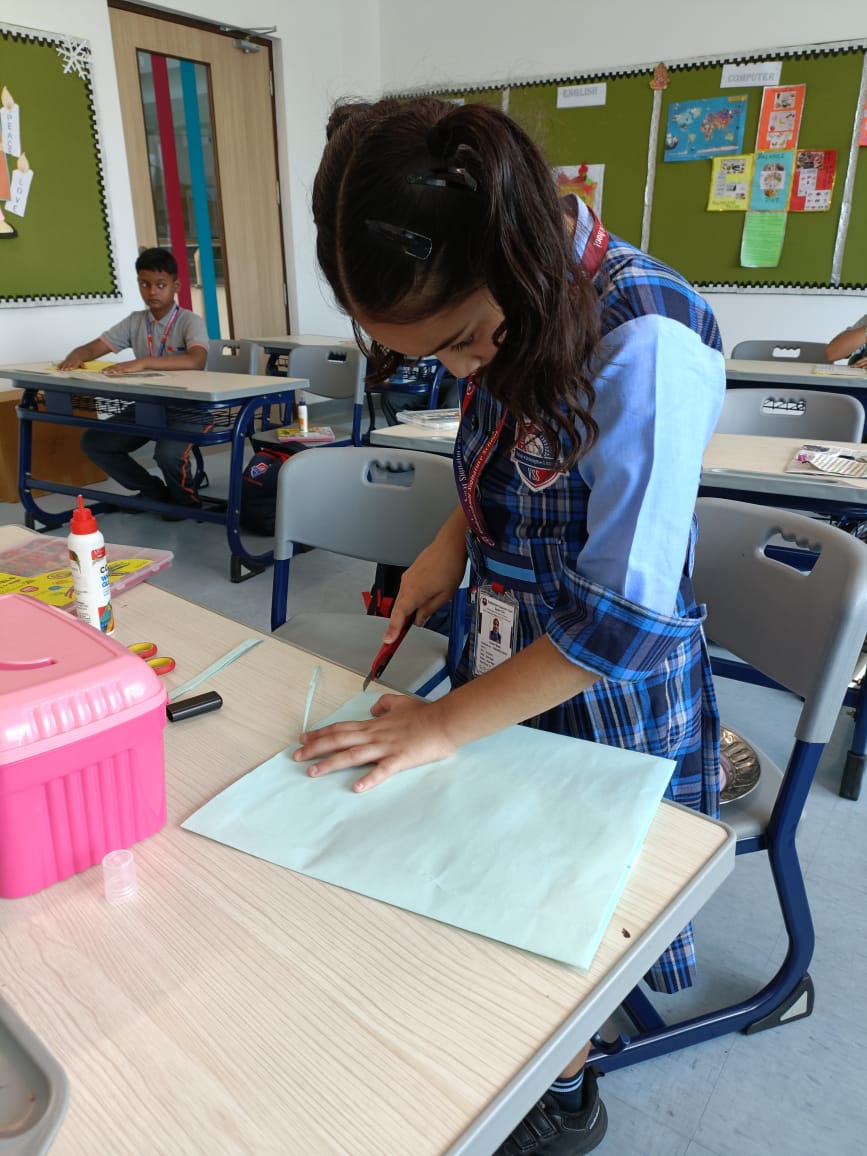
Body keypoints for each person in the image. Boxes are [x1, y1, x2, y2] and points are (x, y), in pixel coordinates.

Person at [297, 97, 725, 1155]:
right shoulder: (514, 298)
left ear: (515, 254)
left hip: (605, 694)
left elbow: (624, 624)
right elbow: (515, 449)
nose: (457, 370)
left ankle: (565, 1089)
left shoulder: (647, 345)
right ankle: (509, 1040)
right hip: (507, 647)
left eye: (459, 341)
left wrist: (443, 723)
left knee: (564, 906)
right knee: (497, 867)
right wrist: (452, 539)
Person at [59, 247, 209, 512]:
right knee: (95, 443)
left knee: (167, 454)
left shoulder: (190, 322)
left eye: (160, 285)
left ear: (176, 286)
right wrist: (77, 354)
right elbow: (94, 348)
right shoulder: (135, 321)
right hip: (149, 406)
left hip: (190, 408)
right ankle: (154, 492)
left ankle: (185, 503)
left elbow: (196, 360)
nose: (152, 292)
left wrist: (143, 362)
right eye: (144, 284)